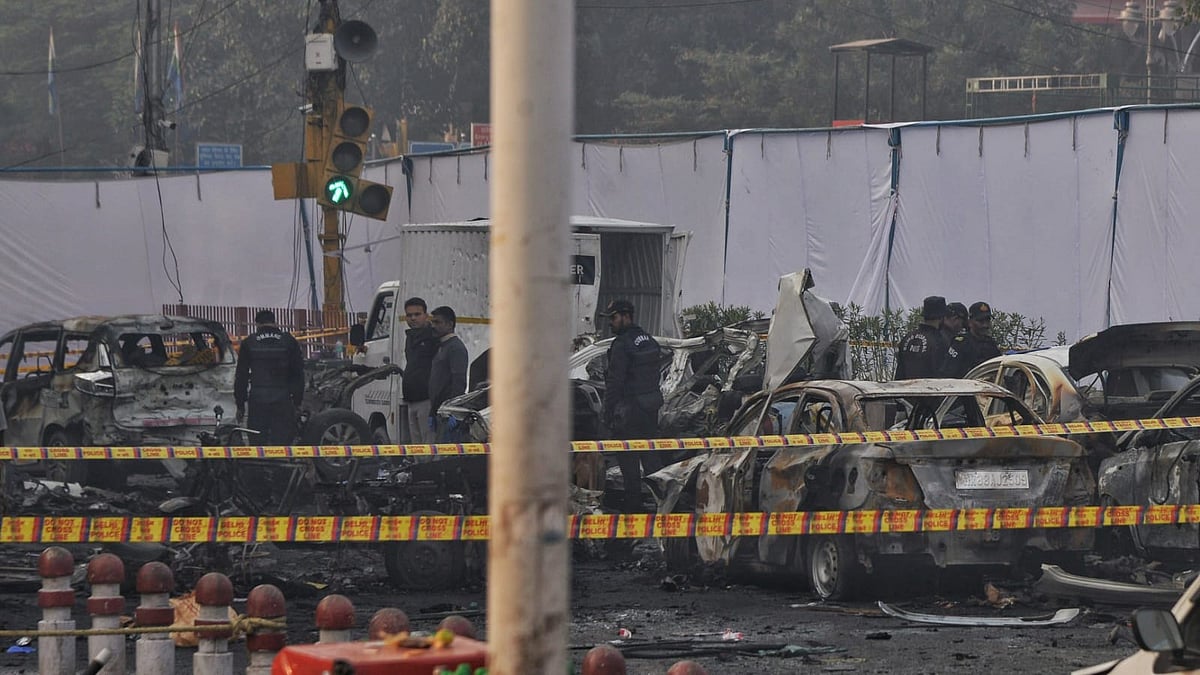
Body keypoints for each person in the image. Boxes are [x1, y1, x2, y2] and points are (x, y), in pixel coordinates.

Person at [600, 299, 664, 513]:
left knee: (629, 465)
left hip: (629, 414)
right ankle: (663, 504)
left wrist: (607, 415)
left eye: (614, 318)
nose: (611, 323)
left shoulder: (621, 345)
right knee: (651, 460)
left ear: (626, 316)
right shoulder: (650, 341)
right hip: (650, 410)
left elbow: (615, 383)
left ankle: (633, 511)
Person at [234, 309, 305, 444]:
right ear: (274, 322)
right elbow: (298, 374)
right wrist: (297, 402)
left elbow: (241, 376)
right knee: (282, 442)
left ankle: (260, 465)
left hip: (258, 399)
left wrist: (240, 405)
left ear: (257, 324)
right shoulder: (289, 341)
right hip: (282, 399)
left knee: (257, 442)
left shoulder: (249, 342)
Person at [401, 298, 440, 444]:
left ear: (426, 315)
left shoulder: (433, 337)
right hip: (411, 398)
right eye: (409, 315)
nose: (413, 318)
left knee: (428, 442)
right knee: (416, 444)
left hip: (426, 399)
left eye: (417, 314)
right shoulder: (410, 338)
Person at [427, 306, 468, 438]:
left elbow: (459, 381)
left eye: (438, 322)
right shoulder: (442, 346)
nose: (433, 326)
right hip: (439, 412)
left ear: (450, 324)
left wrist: (454, 412)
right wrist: (432, 413)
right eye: (432, 322)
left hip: (448, 413)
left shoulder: (455, 348)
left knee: (447, 455)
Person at [894, 295, 949, 380]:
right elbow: (941, 373)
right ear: (941, 317)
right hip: (929, 390)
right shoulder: (939, 341)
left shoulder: (907, 338)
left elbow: (900, 372)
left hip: (905, 389)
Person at [956, 301, 1002, 372]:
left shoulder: (990, 343)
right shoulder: (961, 343)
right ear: (970, 322)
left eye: (987, 320)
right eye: (980, 321)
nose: (985, 325)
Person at [941, 302, 969, 377]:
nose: (961, 328)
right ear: (955, 318)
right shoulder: (951, 341)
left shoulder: (933, 335)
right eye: (962, 324)